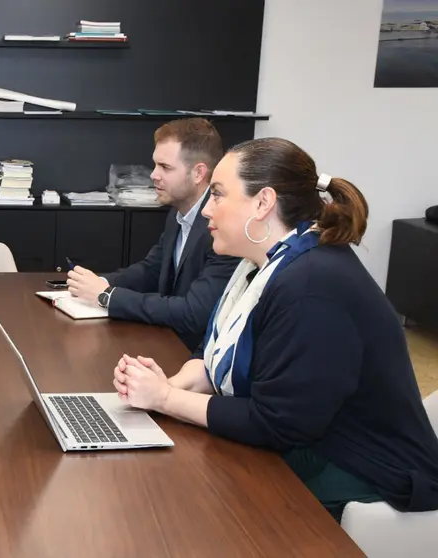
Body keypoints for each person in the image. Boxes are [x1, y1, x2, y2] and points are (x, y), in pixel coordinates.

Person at [113, 137, 438, 520]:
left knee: (199, 505)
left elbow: (275, 423)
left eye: (217, 195)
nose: (206, 210)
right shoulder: (268, 262)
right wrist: (166, 387)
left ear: (263, 203)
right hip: (313, 442)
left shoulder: (312, 284)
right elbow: (213, 352)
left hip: (367, 471)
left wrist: (166, 400)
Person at [67, 118, 239, 349]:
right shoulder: (177, 212)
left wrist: (108, 296)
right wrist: (100, 282)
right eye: (155, 165)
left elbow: (193, 313)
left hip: (195, 354)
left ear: (198, 173)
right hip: (167, 339)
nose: (153, 175)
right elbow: (152, 269)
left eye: (165, 167)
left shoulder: (221, 227)